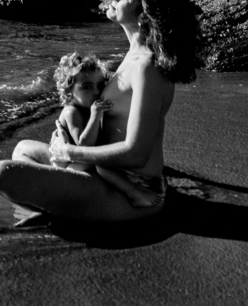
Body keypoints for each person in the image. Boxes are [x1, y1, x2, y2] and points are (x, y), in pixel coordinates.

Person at [0, 0, 200, 223]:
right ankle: (58, 207)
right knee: (23, 149)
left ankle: (59, 210)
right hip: (102, 174)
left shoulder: (148, 67)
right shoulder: (132, 58)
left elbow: (136, 153)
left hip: (132, 192)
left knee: (0, 174)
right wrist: (68, 133)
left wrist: (69, 152)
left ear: (144, 14)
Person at [49, 52, 164, 210]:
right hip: (67, 165)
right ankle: (134, 193)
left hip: (79, 161)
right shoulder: (72, 112)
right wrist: (95, 117)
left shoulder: (86, 107)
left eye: (100, 85)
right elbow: (84, 145)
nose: (96, 92)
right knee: (103, 164)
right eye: (87, 87)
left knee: (105, 163)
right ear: (69, 92)